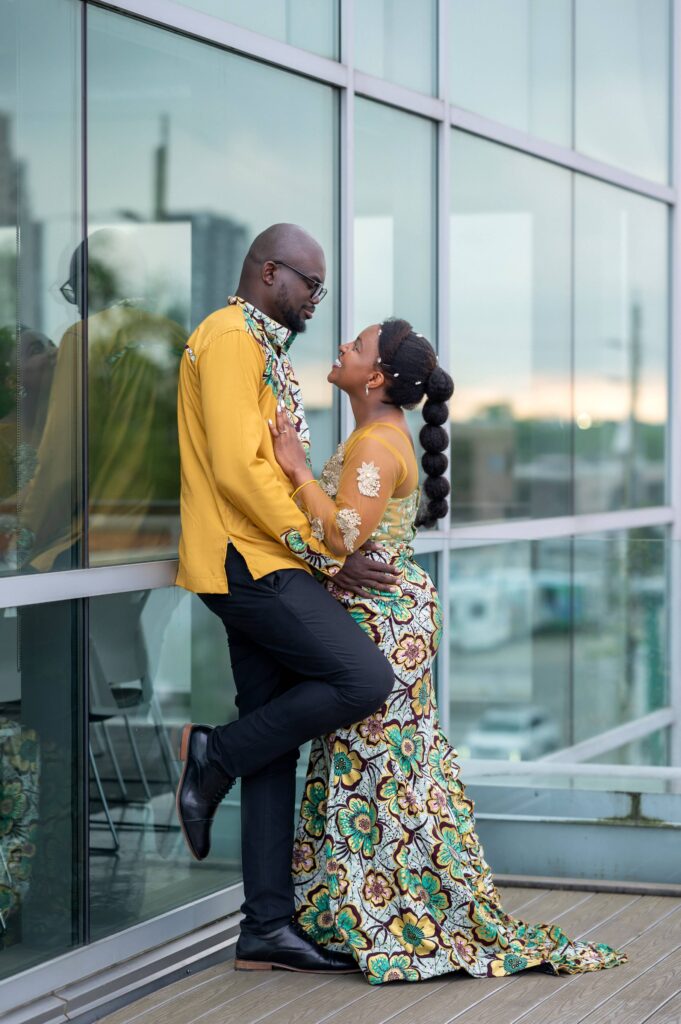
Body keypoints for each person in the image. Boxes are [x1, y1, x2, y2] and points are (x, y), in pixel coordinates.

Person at [269, 317, 628, 983]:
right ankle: (362, 914)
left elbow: (344, 533)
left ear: (376, 377)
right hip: (382, 616)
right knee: (377, 771)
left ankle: (395, 919)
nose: (344, 345)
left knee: (381, 774)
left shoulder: (377, 444)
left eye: (358, 345)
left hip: (382, 623)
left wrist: (293, 466)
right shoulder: (376, 435)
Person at [174, 223, 401, 974]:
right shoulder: (229, 337)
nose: (316, 301)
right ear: (271, 272)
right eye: (311, 285)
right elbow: (240, 470)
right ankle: (213, 755)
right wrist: (322, 550)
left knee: (272, 736)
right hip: (249, 561)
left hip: (265, 555)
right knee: (363, 678)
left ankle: (265, 928)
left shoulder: (256, 342)